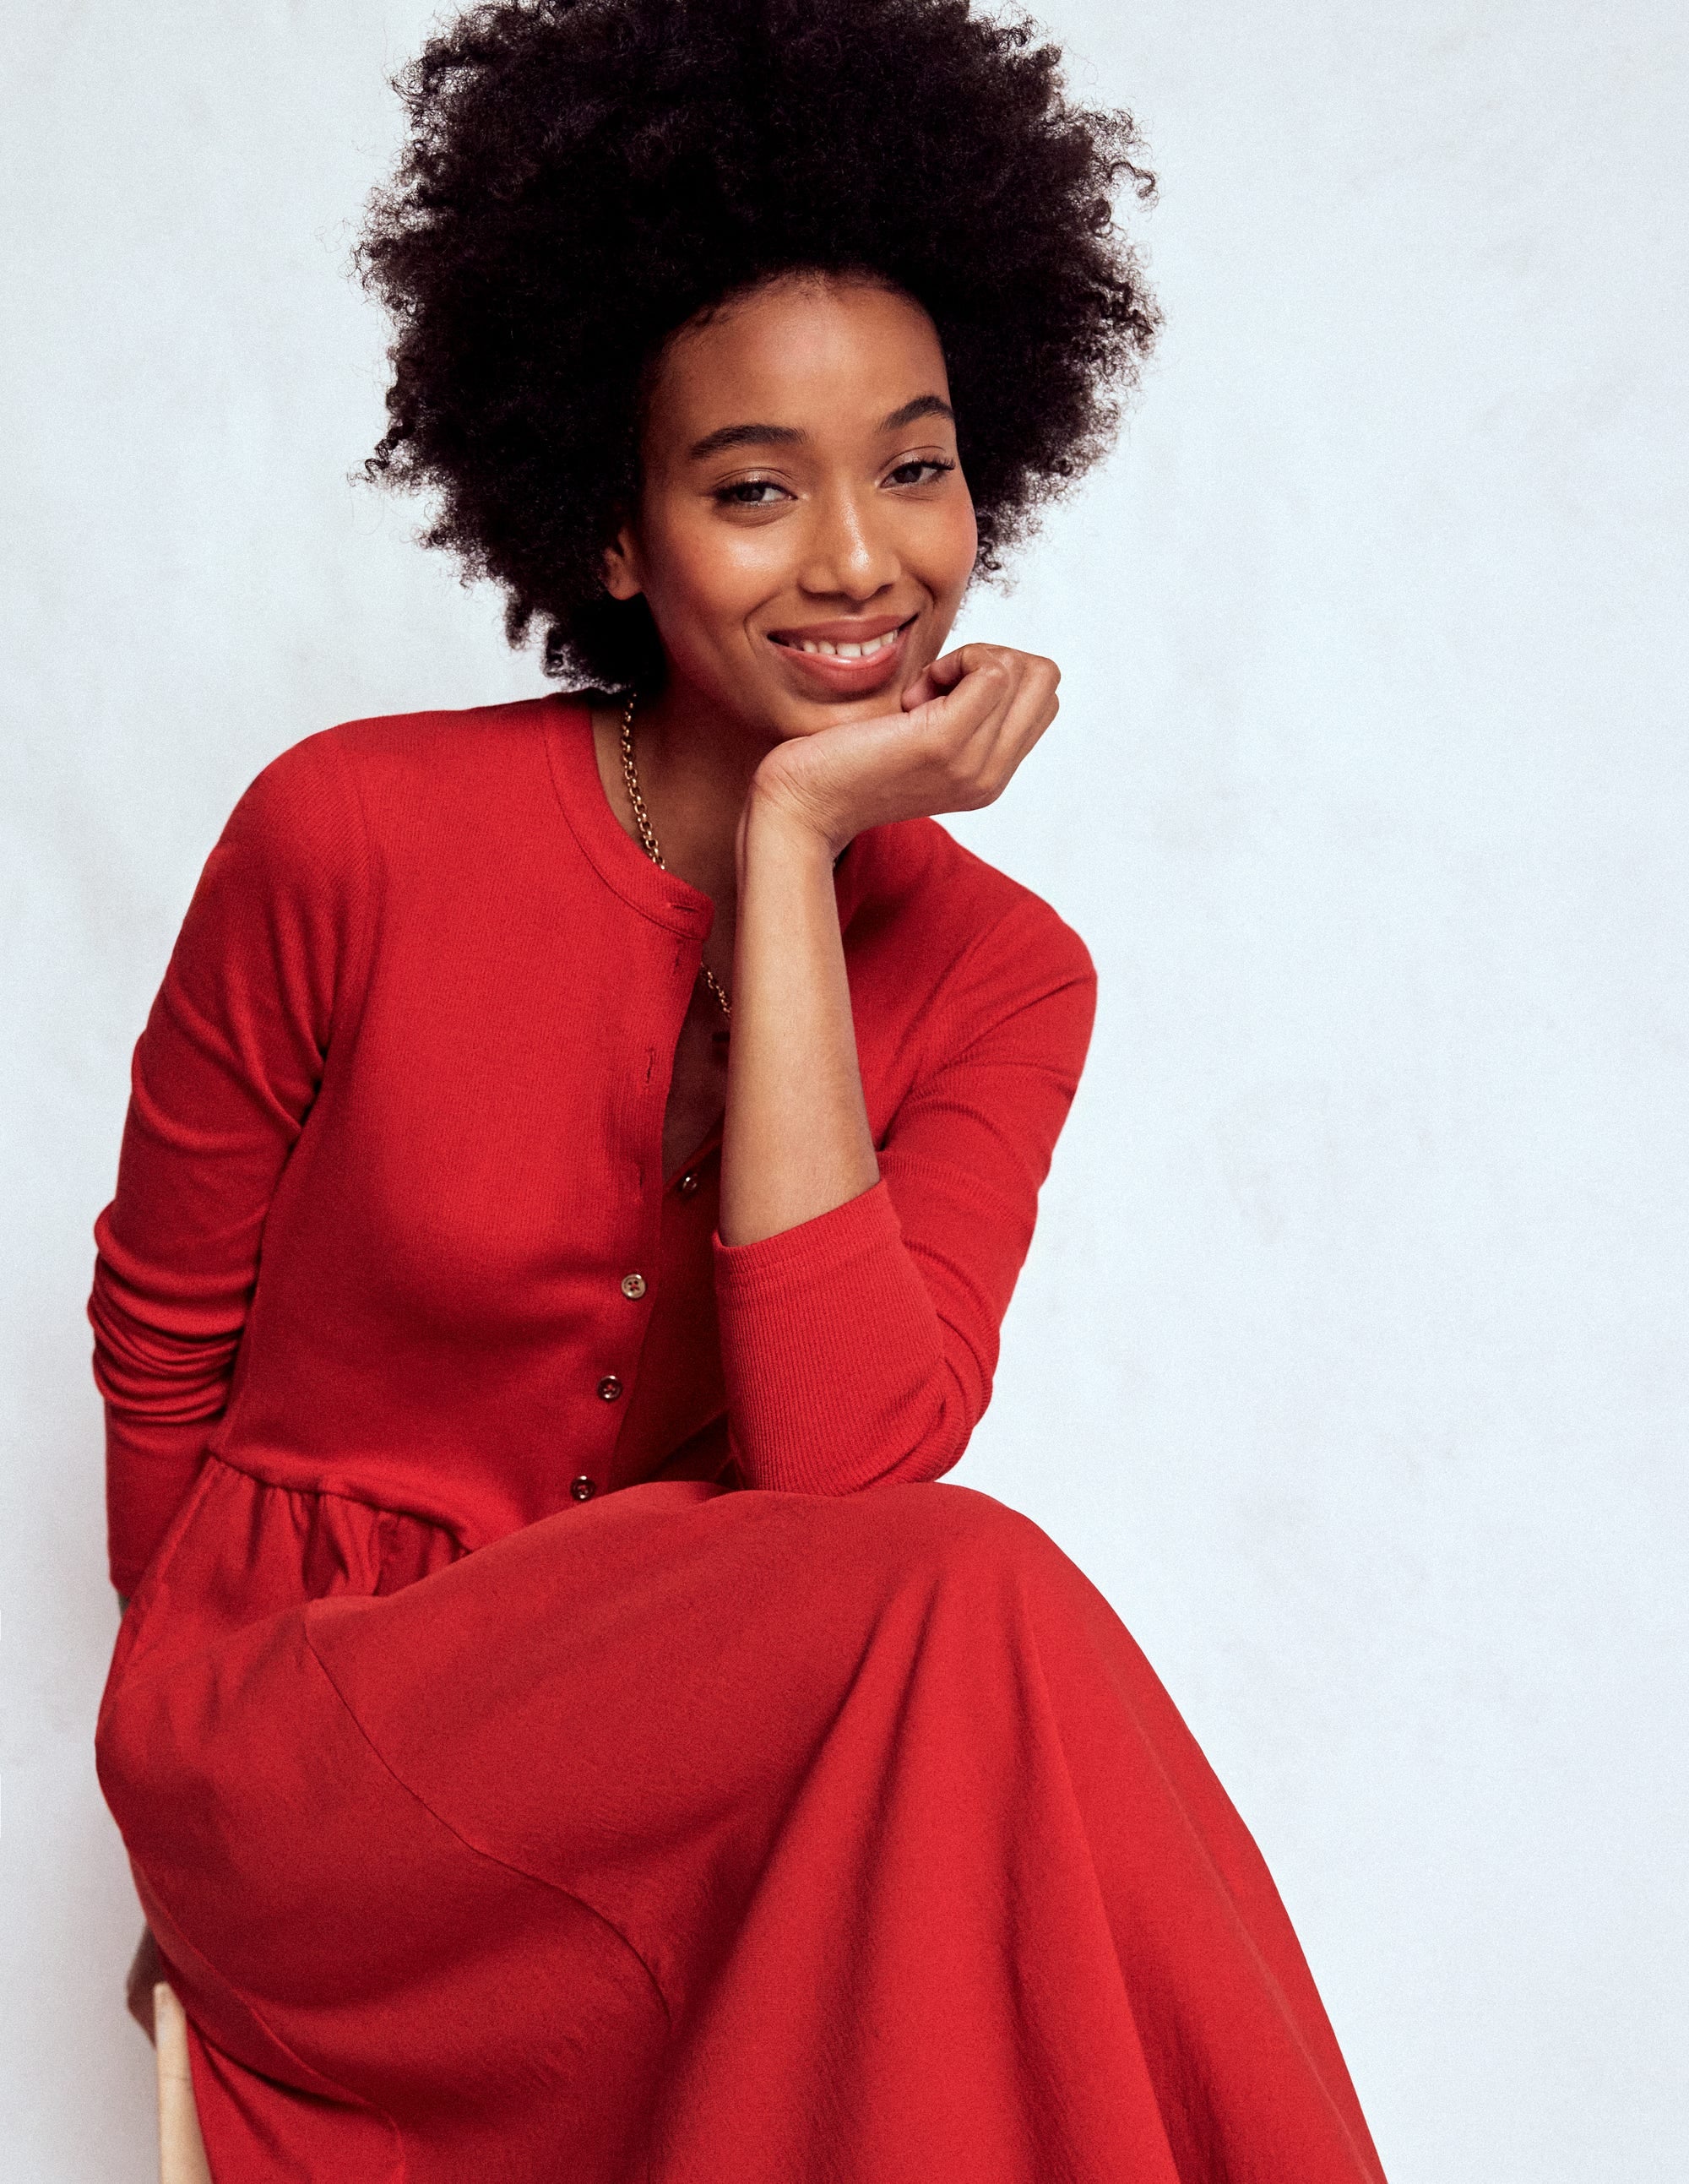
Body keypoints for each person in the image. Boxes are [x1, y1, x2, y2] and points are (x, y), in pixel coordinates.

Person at [90, 2, 1389, 2177]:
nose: (864, 559)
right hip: (298, 1730)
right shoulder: (347, 834)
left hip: (688, 1760)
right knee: (962, 1604)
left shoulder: (1004, 981)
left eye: (916, 461)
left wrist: (797, 845)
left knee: (948, 1683)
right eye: (755, 489)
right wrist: (194, 1833)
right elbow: (163, 1344)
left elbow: (840, 1457)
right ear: (614, 535)